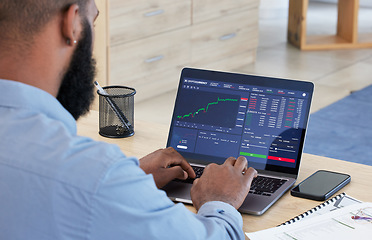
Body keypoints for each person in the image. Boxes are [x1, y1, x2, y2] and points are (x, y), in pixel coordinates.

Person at [0, 0, 257, 239]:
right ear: (72, 23)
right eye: (94, 20)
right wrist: (220, 201)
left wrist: (129, 179)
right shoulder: (91, 175)